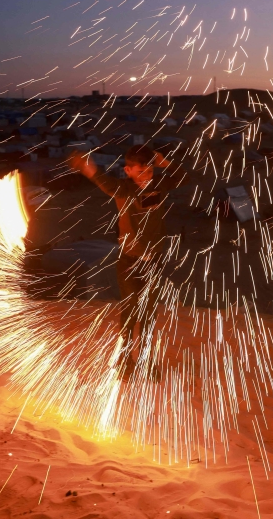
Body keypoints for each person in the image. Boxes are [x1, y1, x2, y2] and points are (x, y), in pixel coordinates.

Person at [67, 144, 187, 377]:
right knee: (131, 311)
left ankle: (145, 360)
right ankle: (124, 360)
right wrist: (88, 168)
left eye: (150, 172)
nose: (145, 178)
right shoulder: (123, 189)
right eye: (140, 172)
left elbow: (183, 177)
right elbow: (102, 180)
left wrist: (165, 164)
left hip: (154, 262)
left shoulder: (159, 185)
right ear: (128, 171)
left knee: (149, 313)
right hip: (129, 262)